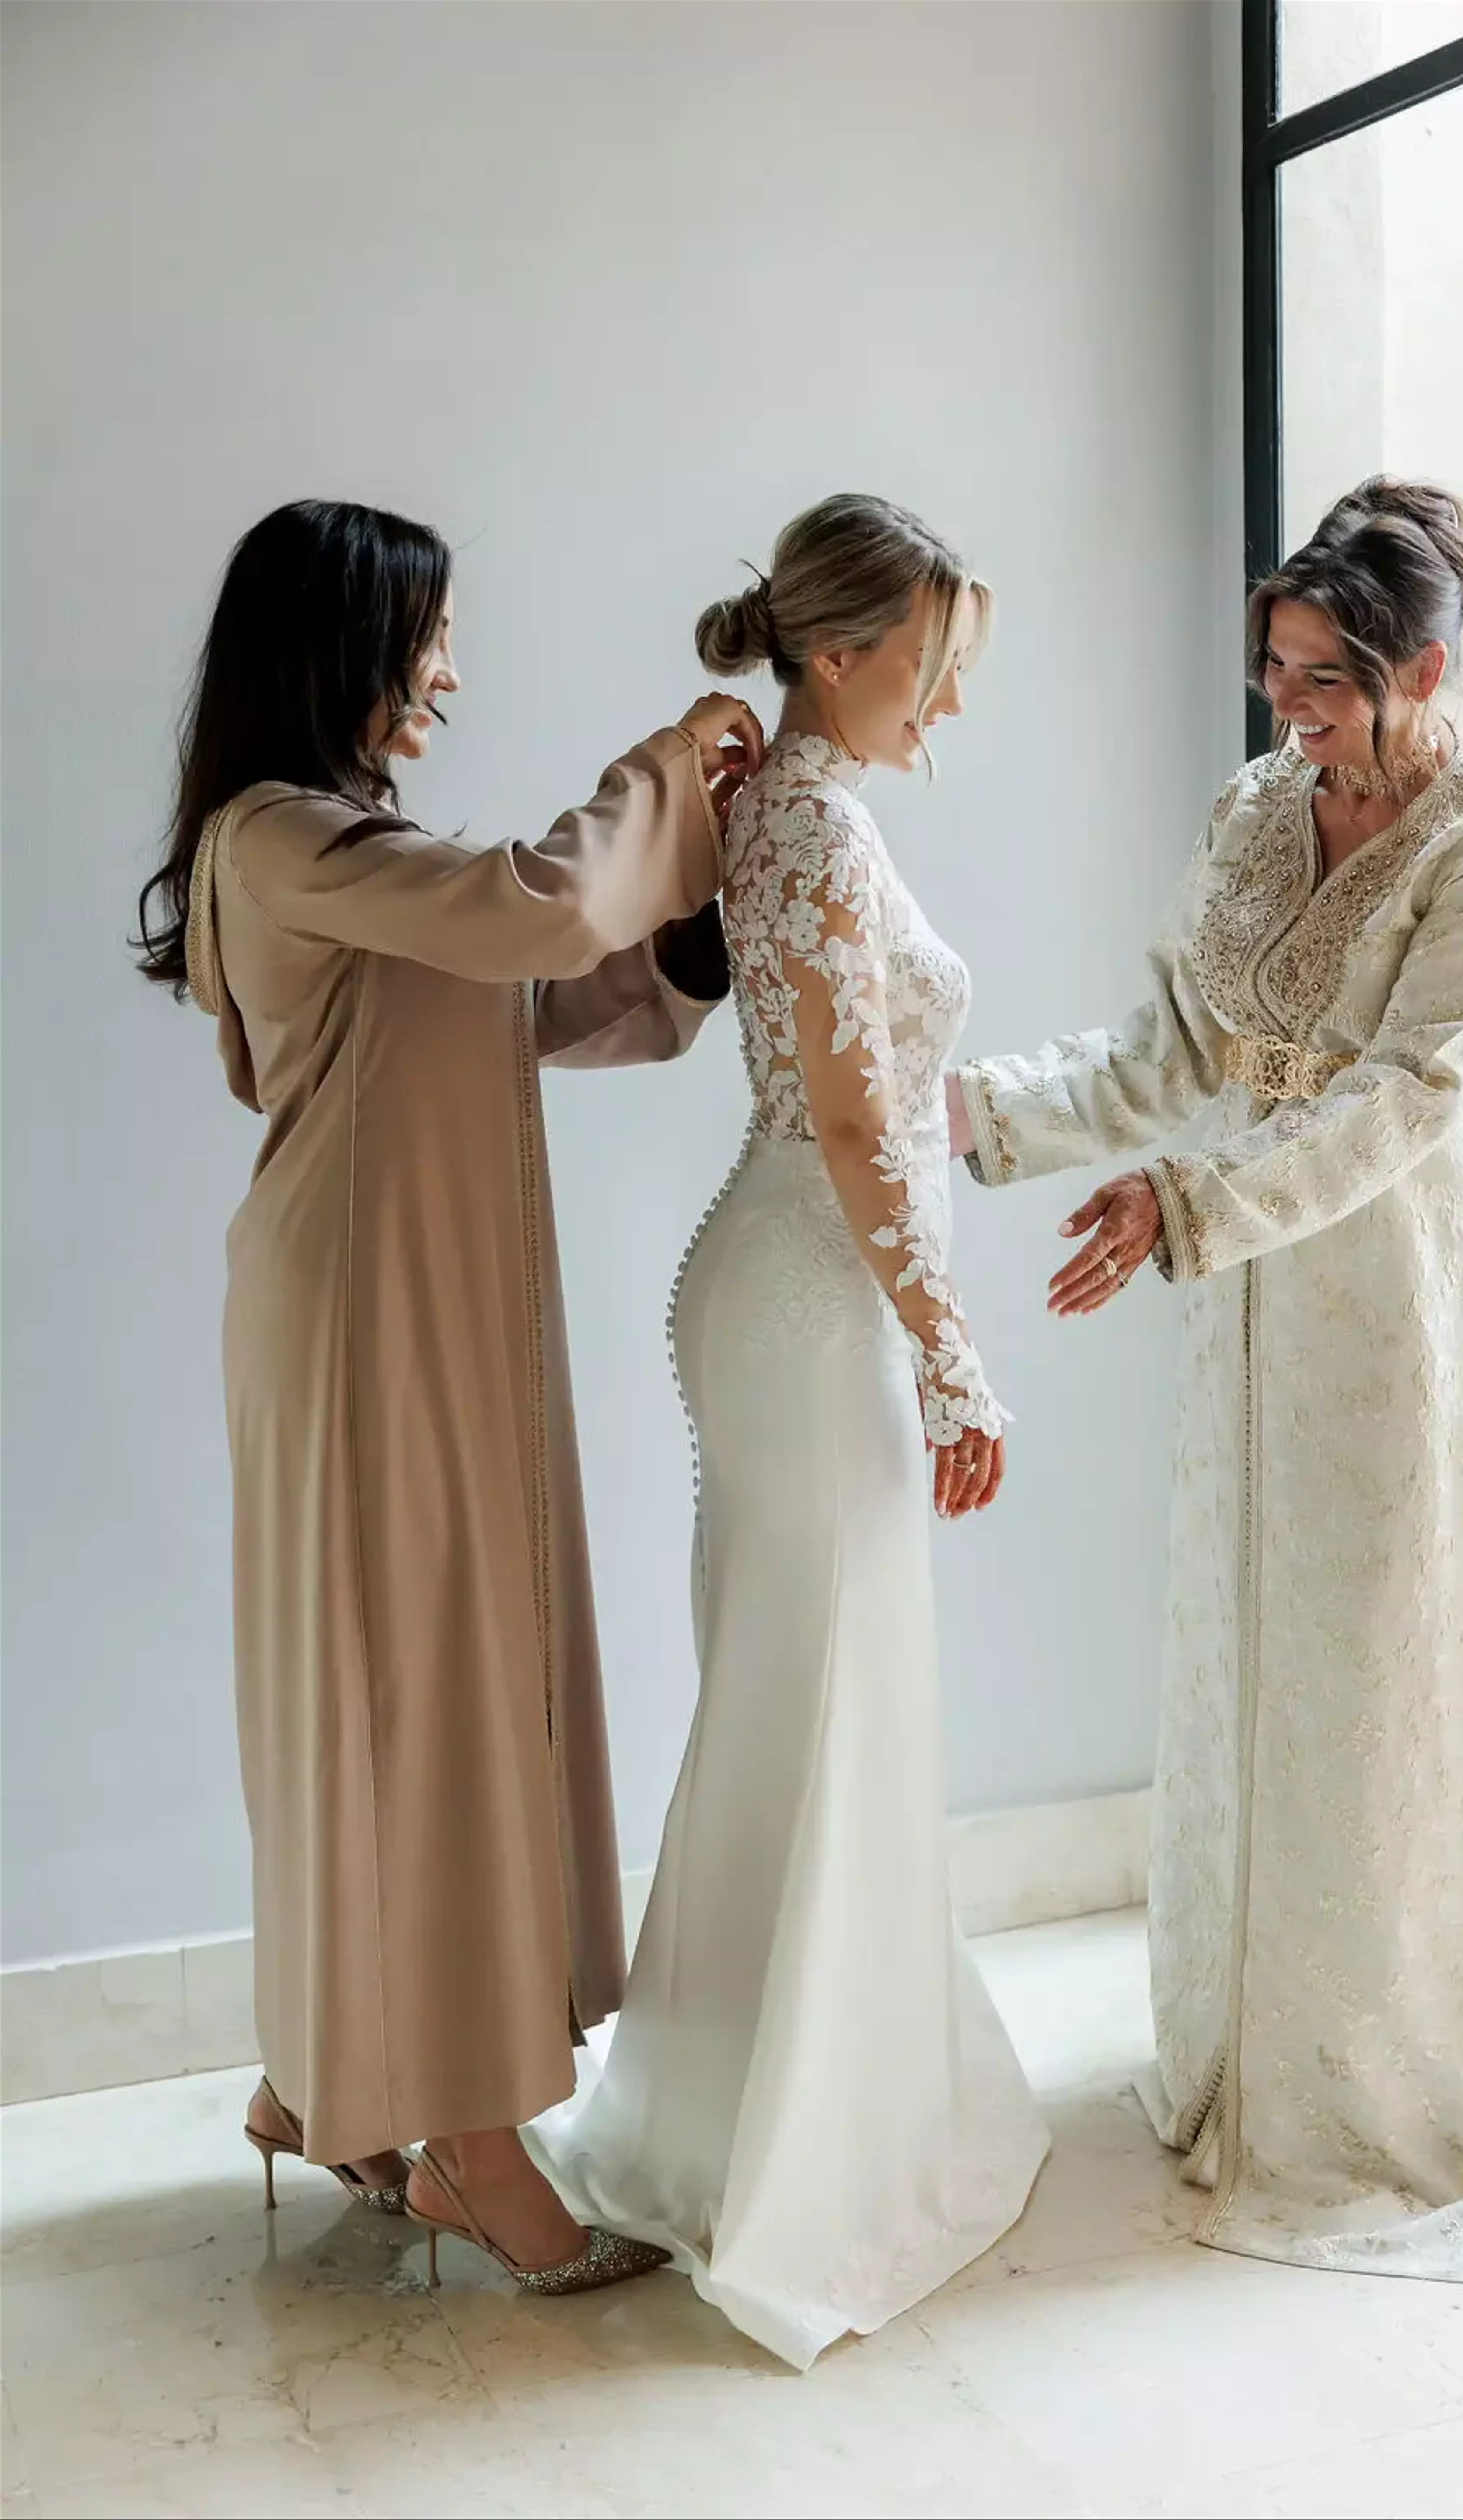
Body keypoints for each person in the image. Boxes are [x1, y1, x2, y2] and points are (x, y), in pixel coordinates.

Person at [949, 477, 1463, 2282]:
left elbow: (1407, 1103)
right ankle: (1260, 2051)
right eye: (1274, 666)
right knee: (1258, 1656)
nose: (1290, 704)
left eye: (1324, 676)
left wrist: (1198, 1200)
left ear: (1422, 667)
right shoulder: (1262, 808)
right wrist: (977, 1119)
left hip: (1398, 1306)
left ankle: (1397, 2068)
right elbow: (1176, 1041)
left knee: (1387, 1668)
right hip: (1248, 1311)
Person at [136, 498, 763, 2294]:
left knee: (387, 1685)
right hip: (364, 1319)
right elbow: (538, 908)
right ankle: (473, 2144)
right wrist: (660, 768)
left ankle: (325, 2084)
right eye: (430, 639)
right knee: (412, 1694)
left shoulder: (349, 853)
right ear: (344, 647)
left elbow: (537, 994)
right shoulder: (278, 840)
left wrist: (697, 935)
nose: (451, 674)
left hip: (407, 1305)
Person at [545, 494, 1048, 2367]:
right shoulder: (817, 825)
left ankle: (743, 2113)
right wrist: (954, 1352)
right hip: (815, 1295)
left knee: (791, 1696)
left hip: (777, 1285)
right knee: (819, 1700)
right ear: (838, 656)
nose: (948, 704)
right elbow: (853, 1119)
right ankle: (804, 2161)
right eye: (932, 667)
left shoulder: (775, 812)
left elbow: (875, 1102)